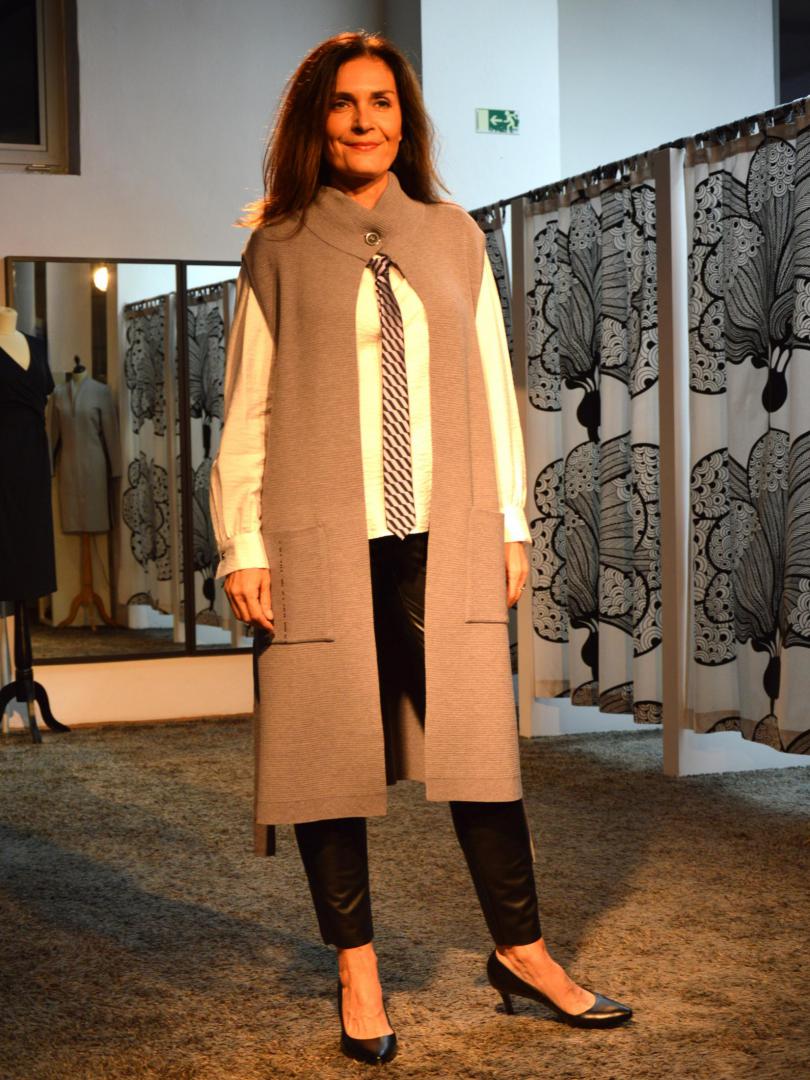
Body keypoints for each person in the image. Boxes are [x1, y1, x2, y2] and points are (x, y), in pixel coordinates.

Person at [210, 31, 632, 1066]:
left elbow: (490, 384)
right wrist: (241, 543)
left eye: (384, 102)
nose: (366, 121)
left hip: (441, 532)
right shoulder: (277, 247)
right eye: (345, 103)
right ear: (316, 121)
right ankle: (356, 968)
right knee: (325, 755)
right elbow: (248, 408)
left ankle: (523, 953)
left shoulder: (453, 235)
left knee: (478, 747)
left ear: (406, 120)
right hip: (317, 539)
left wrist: (511, 521)